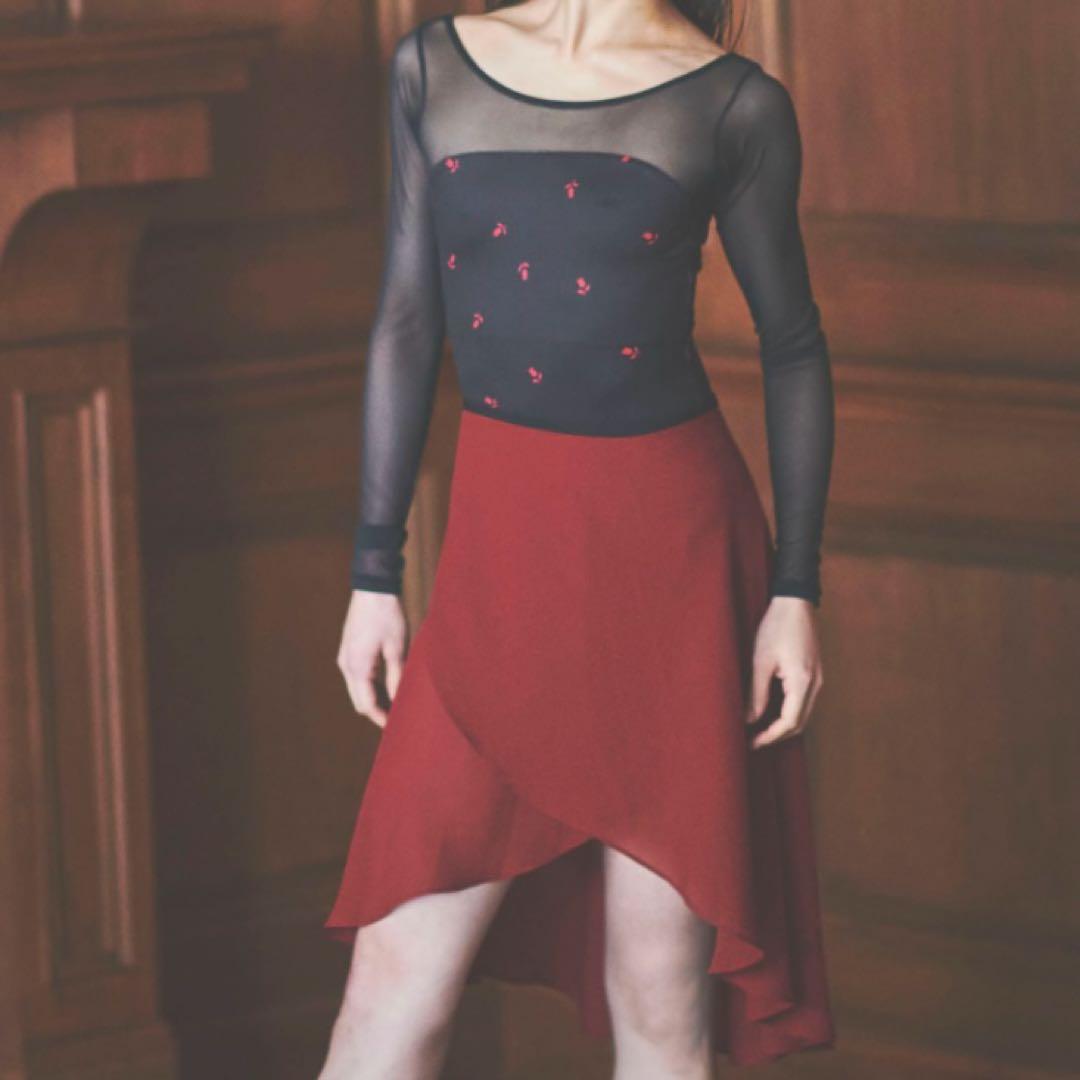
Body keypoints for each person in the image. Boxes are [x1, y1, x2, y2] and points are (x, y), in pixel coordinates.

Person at [320, 2, 836, 1077]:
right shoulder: (433, 65)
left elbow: (792, 345)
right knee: (390, 991)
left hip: (673, 568)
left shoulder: (731, 102)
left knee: (658, 999)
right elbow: (407, 320)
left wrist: (794, 590)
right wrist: (374, 571)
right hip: (497, 570)